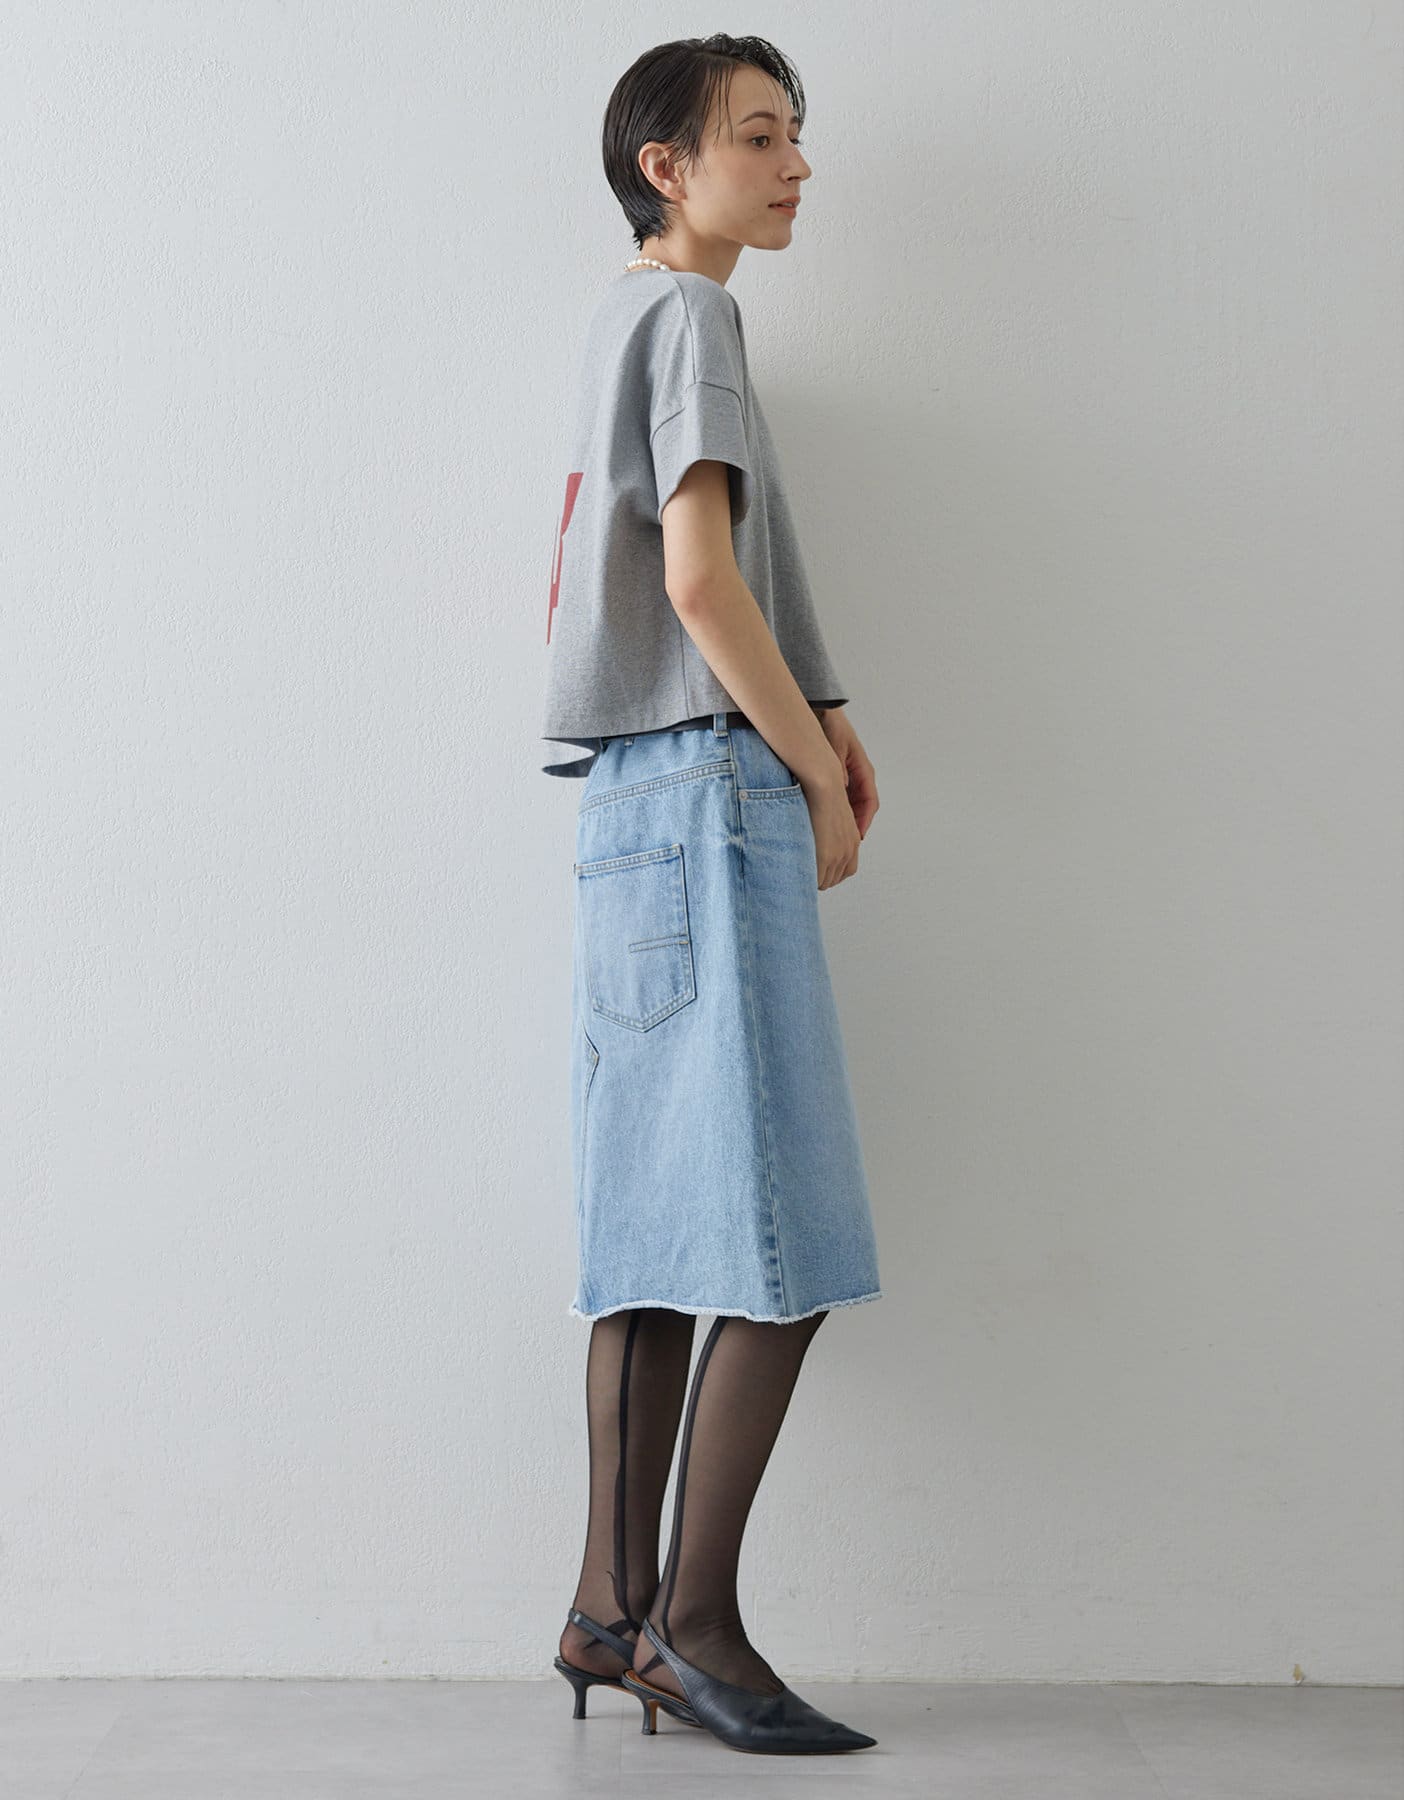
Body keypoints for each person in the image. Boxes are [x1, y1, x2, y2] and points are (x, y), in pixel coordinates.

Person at [543, 34, 883, 1756]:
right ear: (665, 165)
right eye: (760, 134)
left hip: (632, 810)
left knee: (661, 1234)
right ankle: (693, 1629)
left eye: (798, 133)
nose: (796, 161)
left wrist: (824, 705)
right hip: (705, 794)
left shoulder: (625, 322)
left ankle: (611, 1614)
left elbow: (691, 572)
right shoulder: (692, 318)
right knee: (775, 1238)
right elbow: (696, 578)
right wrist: (811, 766)